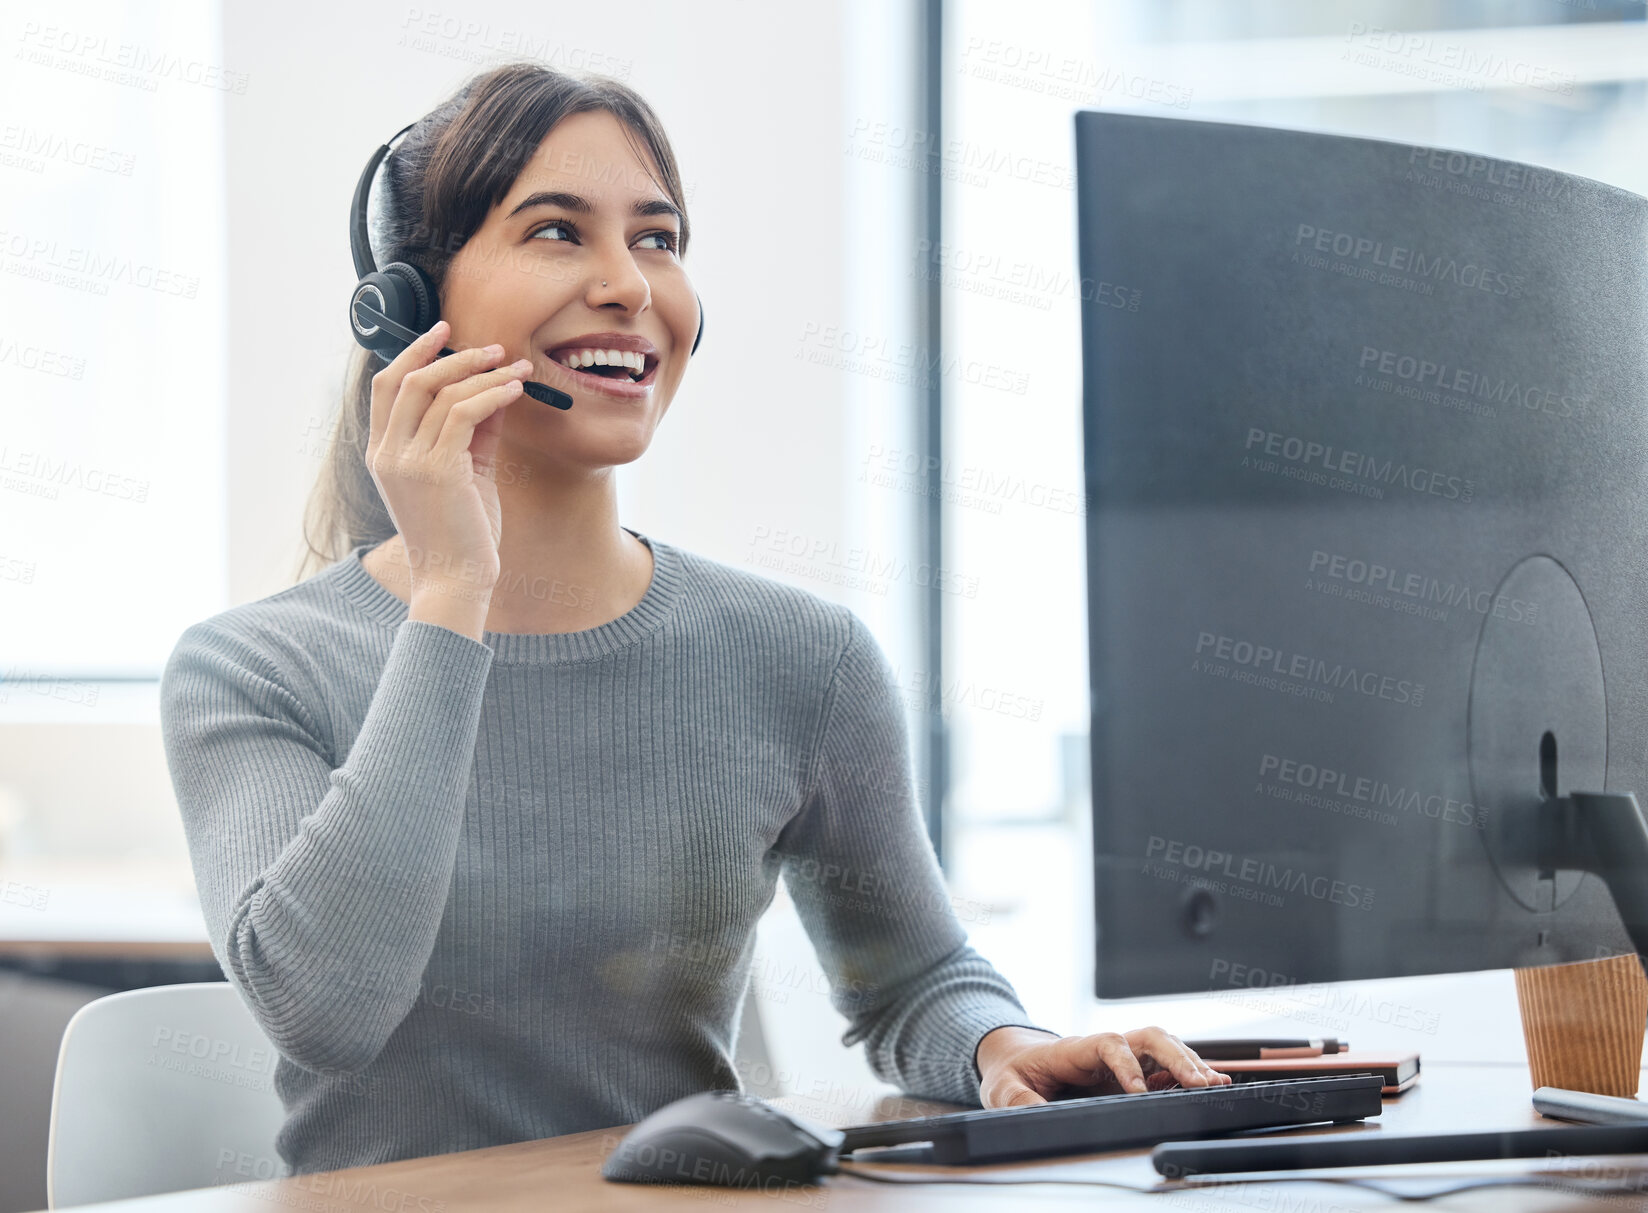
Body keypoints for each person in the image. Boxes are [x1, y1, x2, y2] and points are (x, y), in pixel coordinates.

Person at [159, 60, 1226, 1176]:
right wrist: (450, 598)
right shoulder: (251, 670)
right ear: (409, 308)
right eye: (557, 232)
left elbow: (911, 978)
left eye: (657, 239)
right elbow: (325, 1012)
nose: (629, 284)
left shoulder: (801, 658)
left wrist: (1006, 1045)